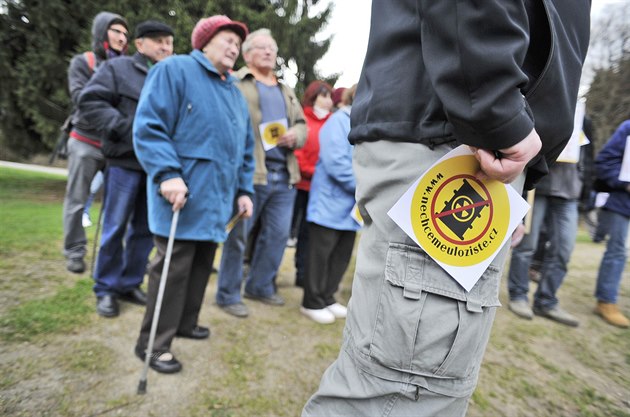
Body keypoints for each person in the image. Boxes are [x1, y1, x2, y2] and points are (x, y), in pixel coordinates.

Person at [302, 1, 590, 415]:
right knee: (404, 393)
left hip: (470, 136)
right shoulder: (481, 110)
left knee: (414, 387)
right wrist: (495, 109)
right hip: (456, 134)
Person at [133, 15, 254, 373]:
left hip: (218, 199)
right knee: (173, 269)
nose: (234, 48)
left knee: (202, 265)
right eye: (227, 40)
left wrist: (244, 191)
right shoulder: (175, 69)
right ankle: (153, 344)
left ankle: (185, 322)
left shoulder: (234, 91)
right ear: (204, 41)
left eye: (237, 44)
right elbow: (150, 125)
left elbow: (245, 150)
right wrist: (167, 172)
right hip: (181, 193)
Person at [78, 20, 175, 318]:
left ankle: (129, 283)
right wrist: (122, 127)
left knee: (145, 231)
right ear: (140, 44)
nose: (165, 47)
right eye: (158, 40)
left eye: (170, 42)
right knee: (114, 226)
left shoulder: (174, 78)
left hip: (156, 169)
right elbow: (90, 101)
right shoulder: (118, 70)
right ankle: (106, 288)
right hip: (123, 162)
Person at [216, 28, 307, 318]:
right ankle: (228, 293)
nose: (269, 52)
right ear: (248, 54)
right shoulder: (236, 83)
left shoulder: (286, 89)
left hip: (284, 177)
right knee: (239, 237)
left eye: (272, 47)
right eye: (262, 47)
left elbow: (303, 124)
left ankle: (259, 285)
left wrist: (296, 134)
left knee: (278, 236)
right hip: (250, 175)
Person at [62, 11, 129, 274]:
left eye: (125, 34)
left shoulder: (128, 67)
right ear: (102, 32)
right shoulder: (84, 62)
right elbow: (81, 97)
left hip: (117, 146)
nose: (122, 38)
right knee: (77, 200)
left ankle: (111, 254)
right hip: (85, 141)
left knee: (118, 204)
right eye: (116, 31)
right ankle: (75, 250)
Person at [300, 85, 359, 324]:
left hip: (350, 208)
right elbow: (336, 163)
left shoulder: (362, 122)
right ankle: (311, 301)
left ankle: (327, 296)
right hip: (330, 203)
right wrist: (364, 187)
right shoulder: (339, 120)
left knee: (341, 254)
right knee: (320, 254)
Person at [506, 159, 582, 327]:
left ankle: (546, 301)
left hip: (569, 191)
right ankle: (518, 295)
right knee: (527, 246)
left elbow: (587, 157)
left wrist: (582, 179)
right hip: (538, 187)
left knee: (564, 249)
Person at [292, 80, 333, 287]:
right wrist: (309, 171)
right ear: (313, 96)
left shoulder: (333, 122)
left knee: (308, 233)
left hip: (320, 189)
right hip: (300, 184)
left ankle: (302, 273)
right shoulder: (303, 119)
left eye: (329, 97)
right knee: (288, 229)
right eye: (323, 96)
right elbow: (298, 150)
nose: (328, 101)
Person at [592, 120, 630, 328]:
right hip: (622, 204)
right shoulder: (627, 128)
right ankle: (606, 300)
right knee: (617, 251)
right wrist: (626, 183)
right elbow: (604, 162)